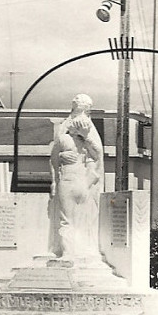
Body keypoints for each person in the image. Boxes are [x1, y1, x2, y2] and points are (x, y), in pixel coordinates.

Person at [49, 94, 104, 261]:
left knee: (81, 217)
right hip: (67, 179)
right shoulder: (63, 137)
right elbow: (53, 158)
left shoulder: (88, 137)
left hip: (82, 180)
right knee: (66, 218)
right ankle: (67, 251)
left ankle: (80, 248)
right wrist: (53, 181)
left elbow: (97, 156)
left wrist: (86, 137)